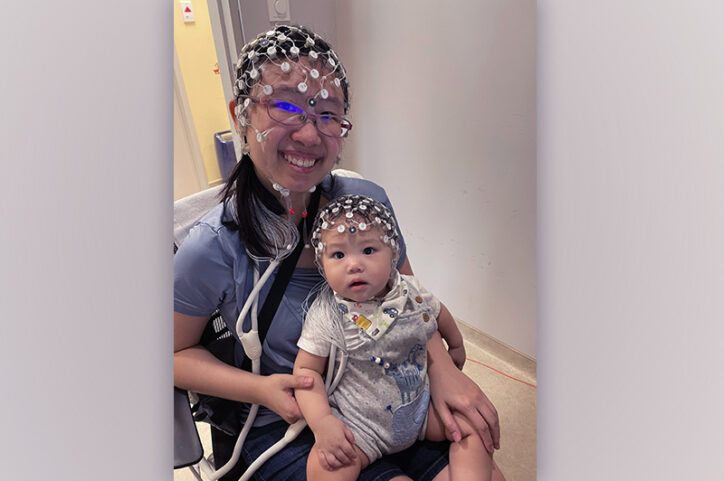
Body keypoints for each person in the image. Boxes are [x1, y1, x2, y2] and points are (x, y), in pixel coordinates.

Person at [174, 24, 502, 481]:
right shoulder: (213, 246)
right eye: (286, 106)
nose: (310, 135)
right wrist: (262, 389)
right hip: (287, 423)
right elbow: (171, 355)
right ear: (241, 115)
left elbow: (403, 299)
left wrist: (442, 368)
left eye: (328, 115)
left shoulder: (367, 203)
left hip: (392, 395)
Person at [294, 194, 500, 481]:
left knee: (472, 424)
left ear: (392, 253)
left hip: (420, 411)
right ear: (321, 263)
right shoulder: (327, 312)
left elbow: (438, 312)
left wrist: (456, 344)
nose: (353, 264)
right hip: (361, 429)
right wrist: (322, 422)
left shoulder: (410, 291)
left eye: (368, 250)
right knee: (325, 464)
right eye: (338, 255)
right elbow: (305, 372)